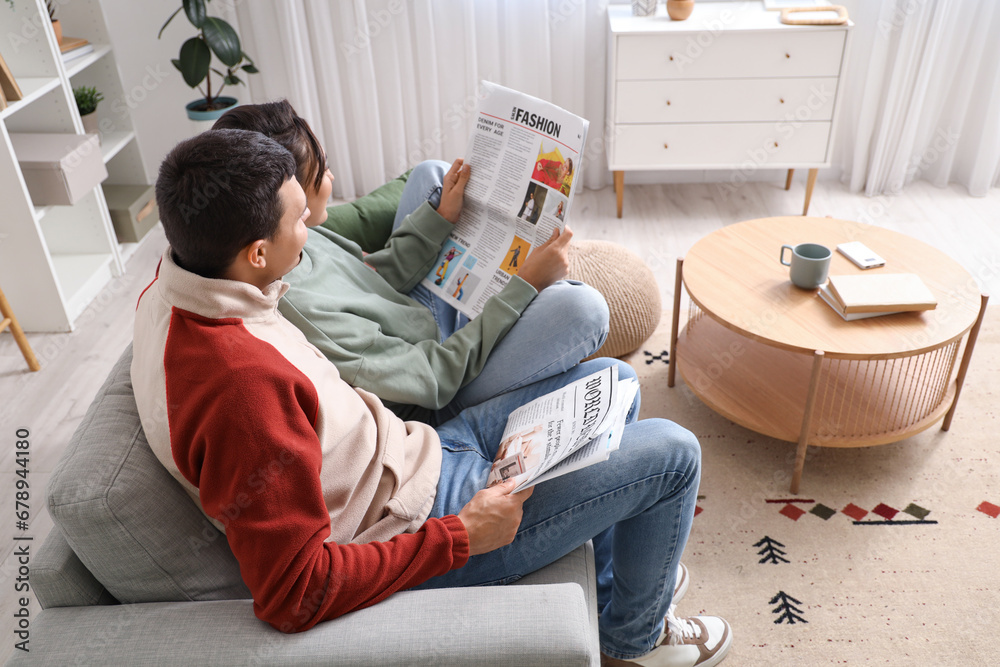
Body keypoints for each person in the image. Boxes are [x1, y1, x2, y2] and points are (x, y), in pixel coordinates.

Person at [135, 129, 732, 666]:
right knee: (675, 453)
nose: (314, 228)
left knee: (611, 380)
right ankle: (633, 638)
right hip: (424, 517)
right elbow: (295, 593)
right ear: (256, 254)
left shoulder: (178, 288)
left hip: (417, 451)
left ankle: (611, 583)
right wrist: (460, 537)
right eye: (300, 220)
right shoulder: (241, 387)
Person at [213, 101, 609, 425]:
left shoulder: (291, 239)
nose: (331, 174)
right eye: (322, 169)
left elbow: (374, 280)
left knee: (430, 175)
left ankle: (525, 301)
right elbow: (435, 377)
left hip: (414, 321)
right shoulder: (304, 303)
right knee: (585, 310)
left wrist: (440, 217)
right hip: (440, 384)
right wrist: (523, 287)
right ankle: (536, 305)